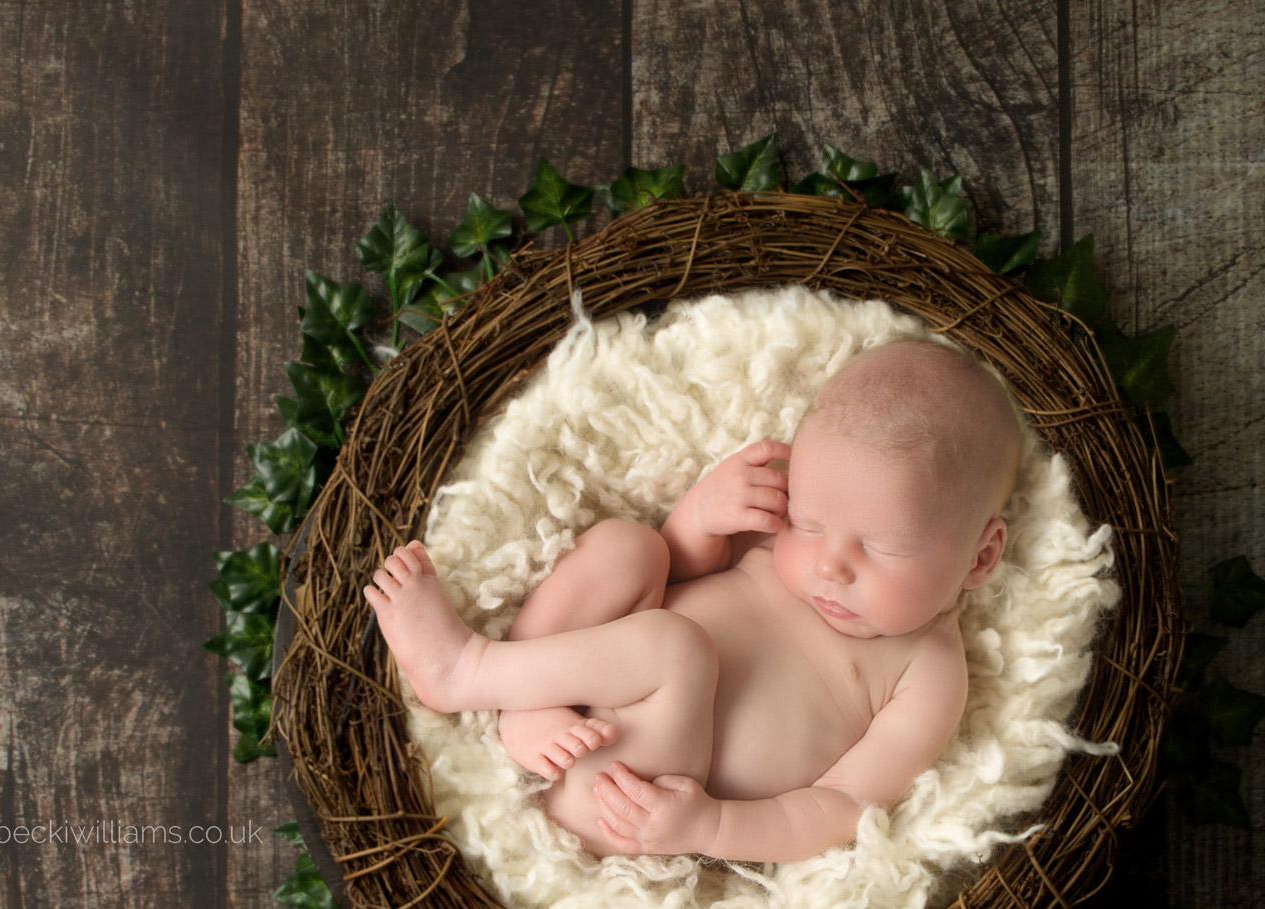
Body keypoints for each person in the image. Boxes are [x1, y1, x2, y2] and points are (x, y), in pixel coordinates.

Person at [365, 339, 1022, 863]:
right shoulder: (776, 545)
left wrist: (708, 826)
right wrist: (699, 520)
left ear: (979, 557)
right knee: (631, 548)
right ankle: (526, 698)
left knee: (676, 648)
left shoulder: (928, 674)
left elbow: (845, 807)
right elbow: (680, 572)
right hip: (581, 709)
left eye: (881, 549)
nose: (827, 564)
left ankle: (465, 671)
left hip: (636, 791)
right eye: (811, 523)